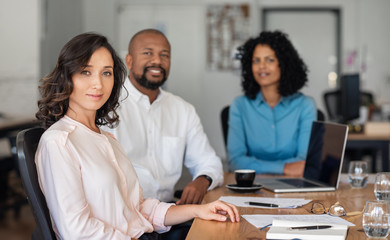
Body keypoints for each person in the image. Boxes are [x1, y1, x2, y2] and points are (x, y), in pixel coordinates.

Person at [35, 33, 239, 240]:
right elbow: (77, 231)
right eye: (86, 72)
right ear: (66, 77)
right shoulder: (59, 142)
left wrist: (199, 210)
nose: (98, 83)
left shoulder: (107, 140)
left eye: (106, 73)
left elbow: (138, 208)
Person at [105, 29, 223, 204]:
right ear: (129, 61)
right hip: (125, 217)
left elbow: (209, 161)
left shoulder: (183, 110)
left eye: (165, 55)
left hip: (169, 215)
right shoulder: (108, 107)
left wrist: (202, 180)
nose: (157, 61)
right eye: (147, 53)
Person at [227, 30, 317, 177]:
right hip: (251, 185)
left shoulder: (305, 105)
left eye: (269, 60)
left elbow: (303, 162)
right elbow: (235, 161)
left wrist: (256, 165)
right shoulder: (240, 105)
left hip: (295, 185)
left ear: (284, 64)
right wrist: (285, 168)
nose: (262, 66)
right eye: (256, 60)